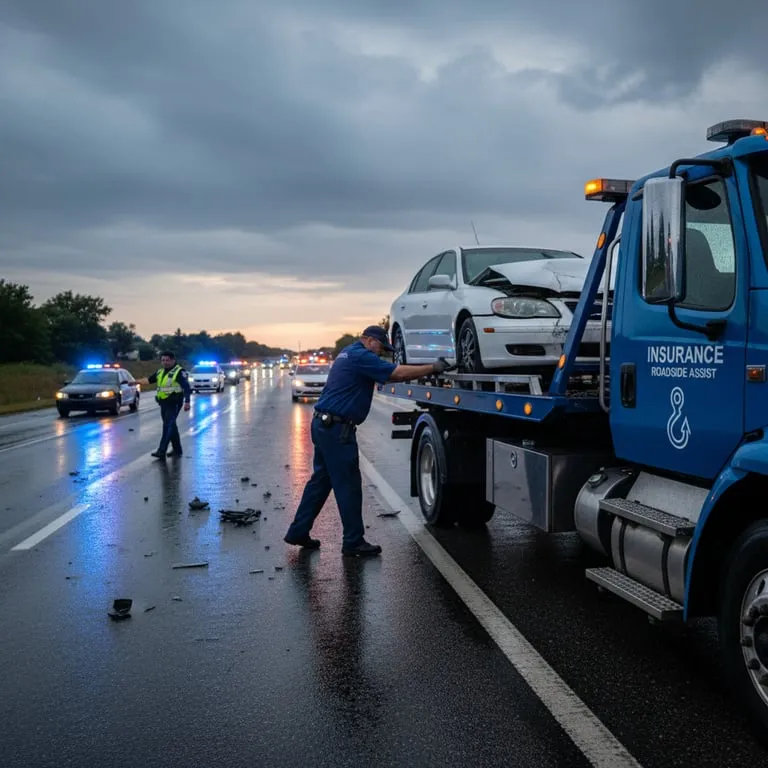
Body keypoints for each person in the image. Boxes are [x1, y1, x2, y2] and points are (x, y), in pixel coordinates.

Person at [284, 325, 454, 557]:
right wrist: (433, 368)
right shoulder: (360, 356)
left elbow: (385, 376)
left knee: (320, 482)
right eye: (380, 347)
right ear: (369, 340)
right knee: (349, 486)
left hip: (324, 424)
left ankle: (298, 532)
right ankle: (353, 541)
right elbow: (396, 374)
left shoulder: (348, 353)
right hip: (336, 429)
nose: (379, 353)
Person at [141, 351, 192, 459]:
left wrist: (187, 402)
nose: (165, 362)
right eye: (163, 360)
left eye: (167, 360)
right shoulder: (160, 372)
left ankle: (161, 451)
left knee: (167, 425)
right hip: (164, 403)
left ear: (173, 360)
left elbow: (186, 387)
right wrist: (134, 382)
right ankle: (177, 450)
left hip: (174, 402)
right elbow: (149, 380)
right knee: (171, 426)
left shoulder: (178, 371)